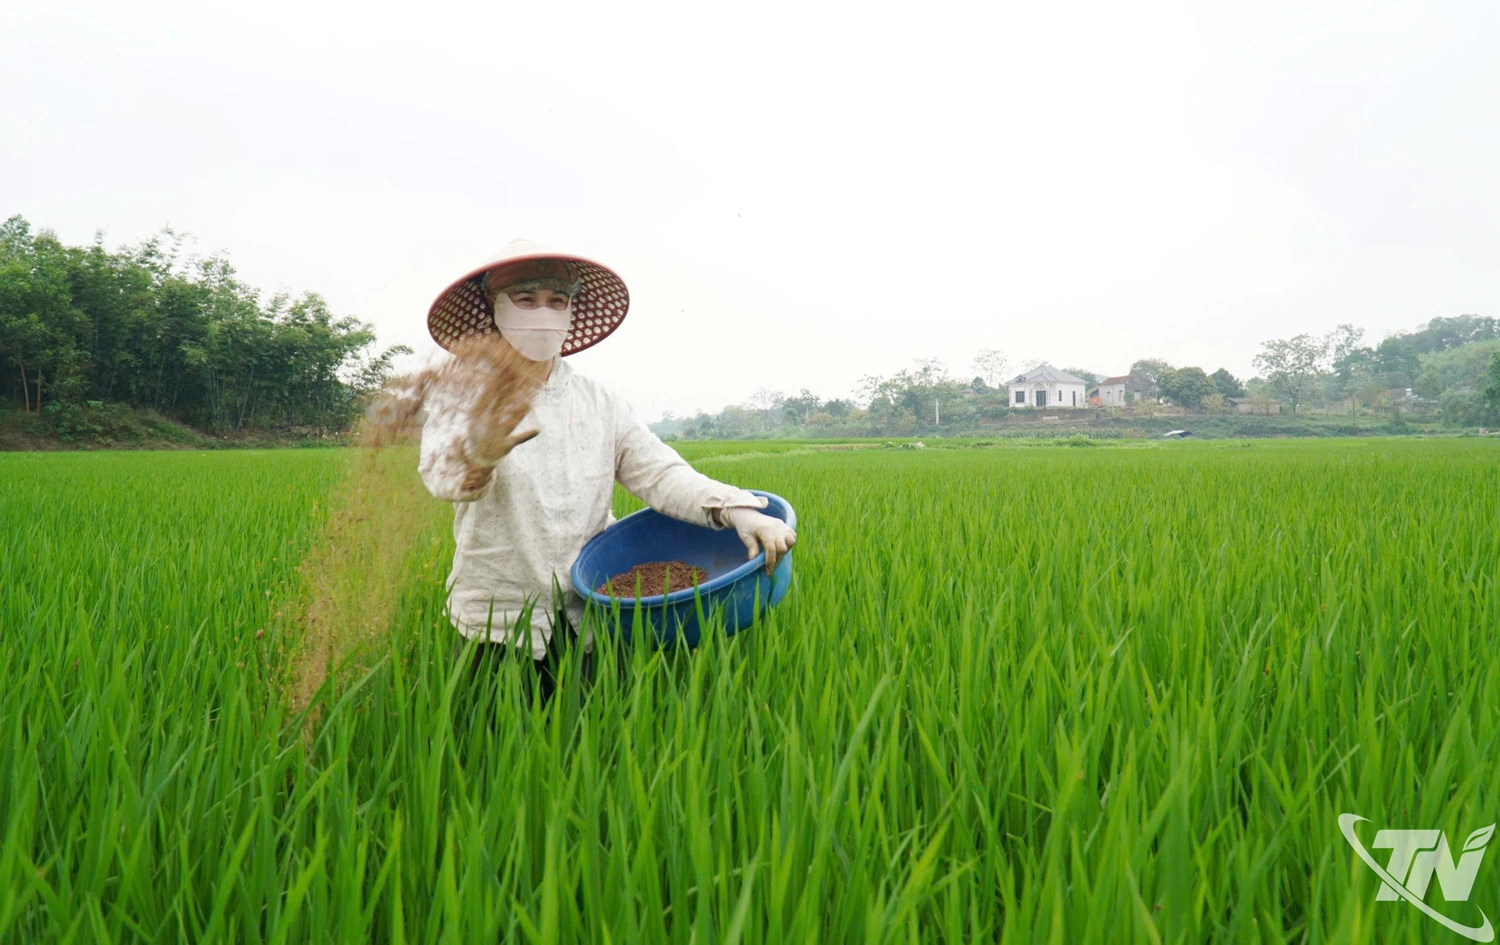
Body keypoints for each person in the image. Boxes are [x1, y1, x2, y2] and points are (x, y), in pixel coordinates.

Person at [416, 240, 797, 706]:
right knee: (488, 754)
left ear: (571, 311)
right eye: (526, 299)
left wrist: (739, 510)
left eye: (557, 300)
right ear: (494, 309)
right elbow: (443, 481)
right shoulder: (464, 396)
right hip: (496, 622)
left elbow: (661, 474)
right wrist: (479, 455)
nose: (543, 312)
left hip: (590, 620)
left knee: (591, 751)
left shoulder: (601, 403)